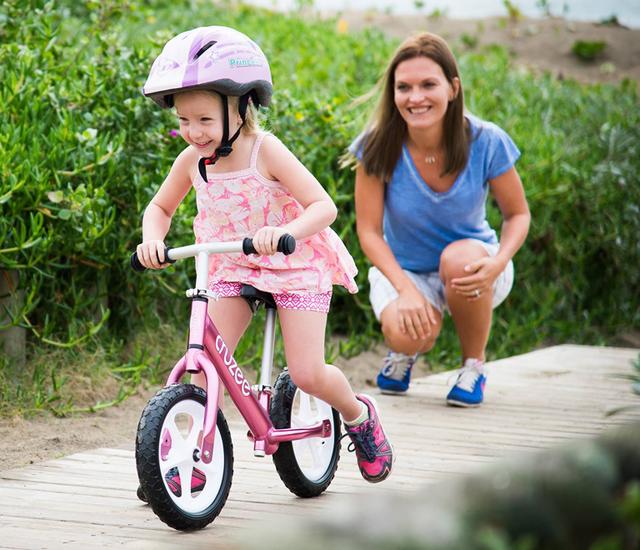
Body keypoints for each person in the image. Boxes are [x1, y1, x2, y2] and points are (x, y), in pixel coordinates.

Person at [136, 26, 393, 485]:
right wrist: (152, 239)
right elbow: (160, 207)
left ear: (240, 107)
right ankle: (177, 463)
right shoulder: (191, 161)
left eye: (204, 121)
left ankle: (358, 415)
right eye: (184, 120)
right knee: (203, 364)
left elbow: (324, 207)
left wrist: (284, 232)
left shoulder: (265, 150)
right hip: (232, 262)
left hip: (293, 264)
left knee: (308, 373)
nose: (193, 133)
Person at [350, 32, 530, 407]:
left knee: (460, 259)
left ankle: (473, 366)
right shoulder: (377, 145)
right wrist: (406, 289)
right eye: (404, 87)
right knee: (406, 332)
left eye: (428, 84)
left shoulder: (486, 140)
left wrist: (498, 262)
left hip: (475, 266)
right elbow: (368, 232)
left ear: (452, 88)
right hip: (406, 271)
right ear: (393, 93)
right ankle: (403, 355)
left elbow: (517, 215)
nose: (415, 98)